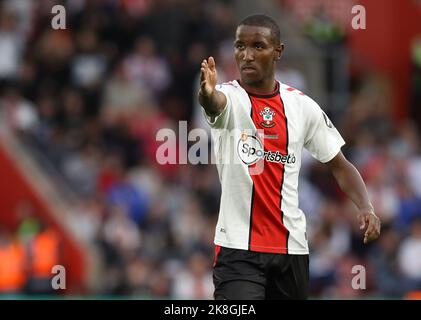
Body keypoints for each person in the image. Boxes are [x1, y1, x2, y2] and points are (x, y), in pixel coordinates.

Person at [197, 14, 381, 300]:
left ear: (278, 51)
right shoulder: (228, 96)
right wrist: (206, 94)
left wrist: (366, 206)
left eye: (258, 46)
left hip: (291, 249)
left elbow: (340, 165)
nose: (246, 55)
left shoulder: (301, 106)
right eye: (240, 46)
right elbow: (214, 104)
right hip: (238, 249)